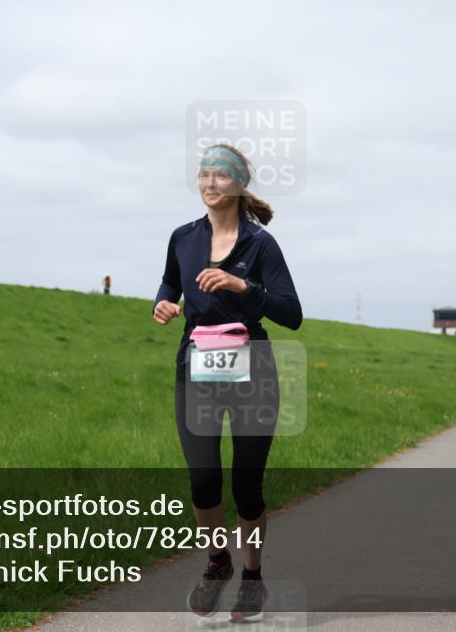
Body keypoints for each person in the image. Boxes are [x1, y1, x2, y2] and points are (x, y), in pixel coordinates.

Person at [153, 144, 302, 621]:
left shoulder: (260, 244)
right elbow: (169, 283)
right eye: (204, 174)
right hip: (195, 366)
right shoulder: (183, 237)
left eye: (220, 175)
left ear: (239, 184)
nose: (209, 183)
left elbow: (291, 314)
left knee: (247, 486)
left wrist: (243, 286)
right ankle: (218, 560)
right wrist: (164, 304)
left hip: (252, 370)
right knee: (203, 479)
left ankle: (253, 577)